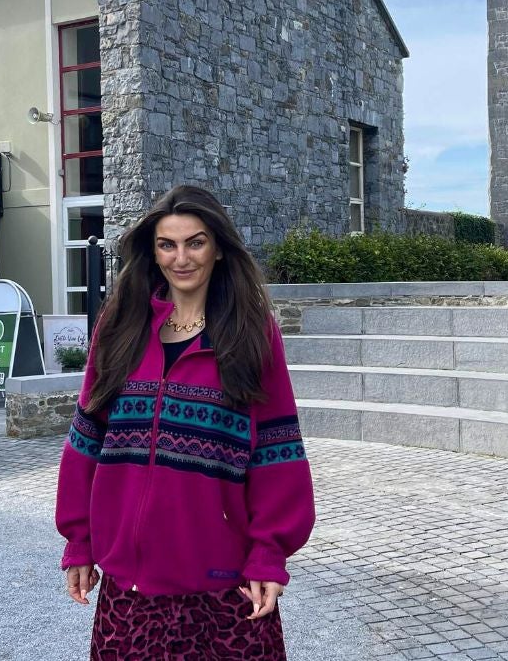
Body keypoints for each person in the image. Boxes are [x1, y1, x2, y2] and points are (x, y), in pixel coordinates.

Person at [56, 185, 315, 660]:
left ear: (218, 249)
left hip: (226, 587)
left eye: (195, 242)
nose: (181, 258)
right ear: (153, 253)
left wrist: (269, 553)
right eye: (167, 244)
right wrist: (79, 542)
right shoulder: (119, 327)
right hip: (131, 589)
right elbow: (86, 440)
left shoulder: (251, 334)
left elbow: (277, 450)